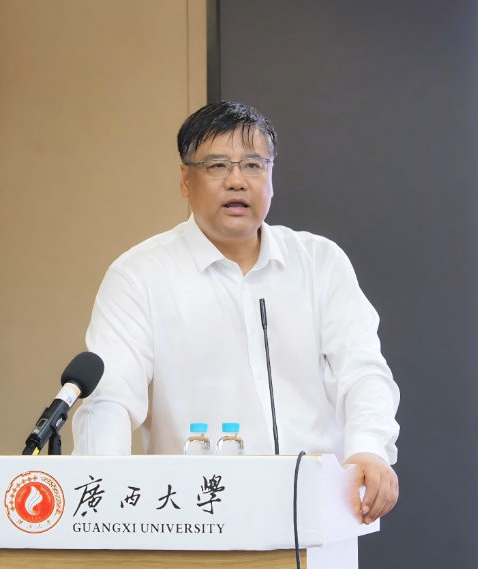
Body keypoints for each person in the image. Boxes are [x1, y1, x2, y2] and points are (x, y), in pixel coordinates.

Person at [72, 101, 400, 524]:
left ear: (270, 177)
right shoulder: (140, 275)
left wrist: (369, 447)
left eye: (253, 165)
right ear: (185, 179)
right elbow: (110, 397)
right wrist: (102, 489)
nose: (236, 181)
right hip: (197, 518)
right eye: (216, 166)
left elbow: (362, 370)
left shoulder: (320, 263)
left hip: (316, 516)